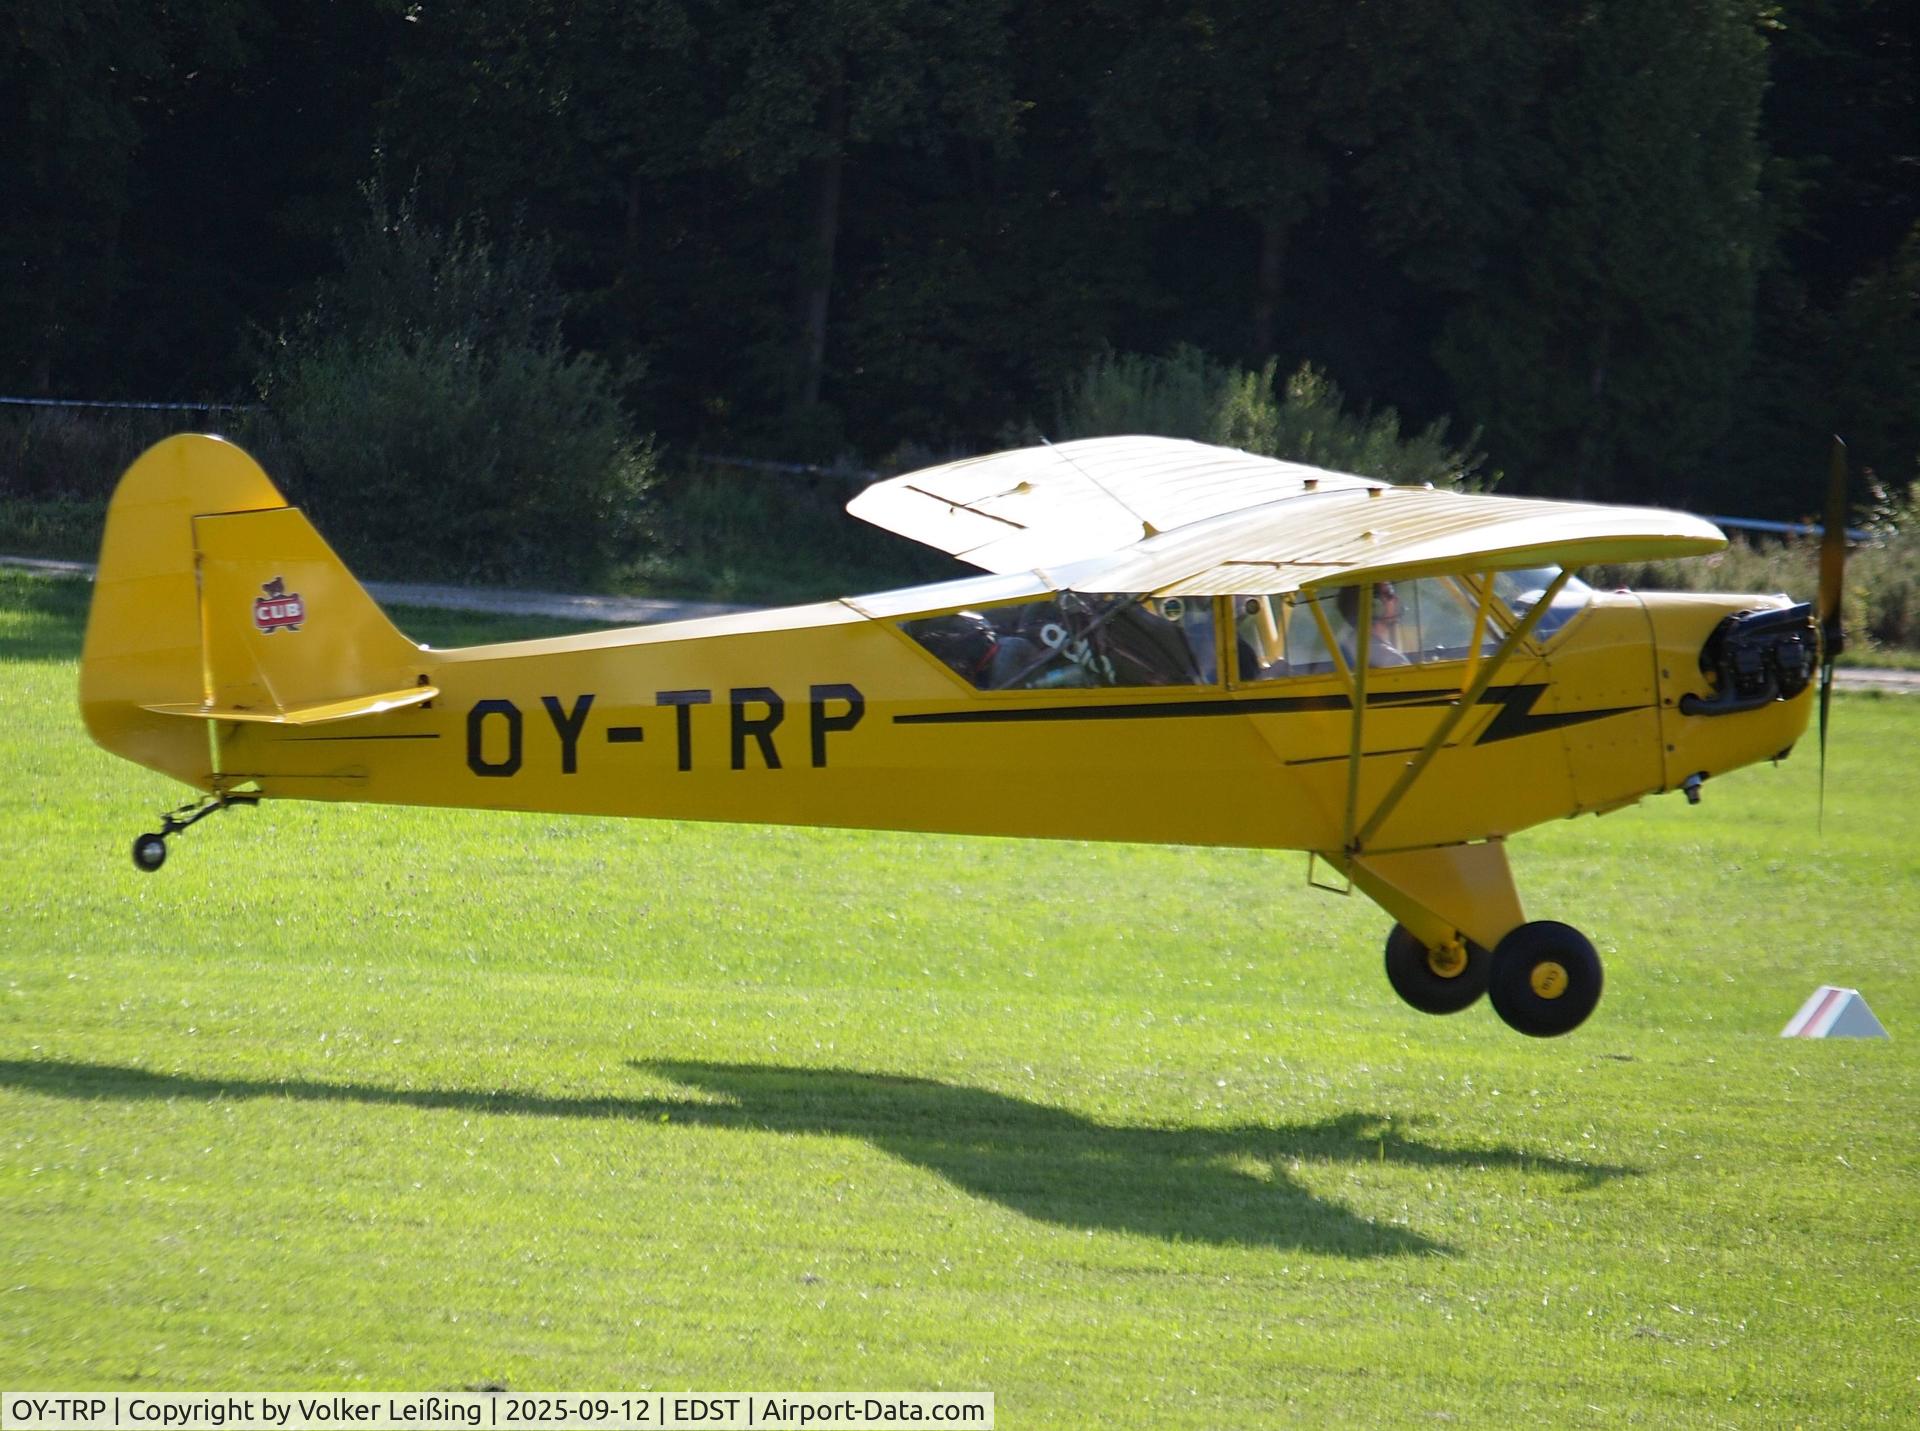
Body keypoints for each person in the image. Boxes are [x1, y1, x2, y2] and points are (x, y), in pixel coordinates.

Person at [1334, 581, 1409, 668]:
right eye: (1389, 595)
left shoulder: (1348, 646)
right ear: (1373, 605)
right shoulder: (1391, 660)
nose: (1396, 599)